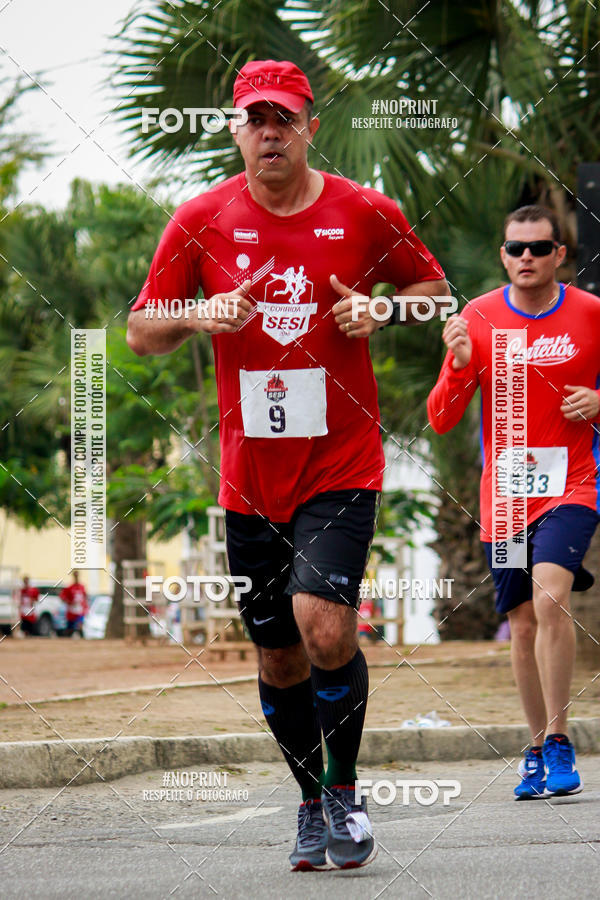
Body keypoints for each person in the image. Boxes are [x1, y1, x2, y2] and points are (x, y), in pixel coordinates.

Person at [128, 59, 448, 870]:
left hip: (341, 459)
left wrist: (381, 306)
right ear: (235, 129)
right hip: (250, 474)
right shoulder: (201, 218)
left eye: (285, 118)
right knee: (277, 651)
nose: (270, 132)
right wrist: (202, 314)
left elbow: (435, 293)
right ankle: (310, 802)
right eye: (254, 119)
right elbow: (140, 328)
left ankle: (345, 790)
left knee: (325, 624)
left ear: (311, 125)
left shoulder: (366, 210)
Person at [427, 204, 600, 800]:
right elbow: (442, 420)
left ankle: (559, 740)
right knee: (521, 622)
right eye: (515, 248)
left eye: (538, 248)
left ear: (560, 255)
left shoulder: (591, 315)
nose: (525, 258)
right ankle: (534, 748)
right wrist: (457, 365)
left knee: (551, 597)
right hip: (505, 498)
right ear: (503, 255)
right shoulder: (477, 317)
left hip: (574, 484)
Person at [60, 571, 89, 637]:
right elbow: (62, 597)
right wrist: (69, 602)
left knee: (80, 625)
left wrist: (85, 606)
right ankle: (67, 638)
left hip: (80, 610)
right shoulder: (69, 588)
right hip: (71, 610)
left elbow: (85, 597)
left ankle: (82, 638)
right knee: (70, 628)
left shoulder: (82, 587)